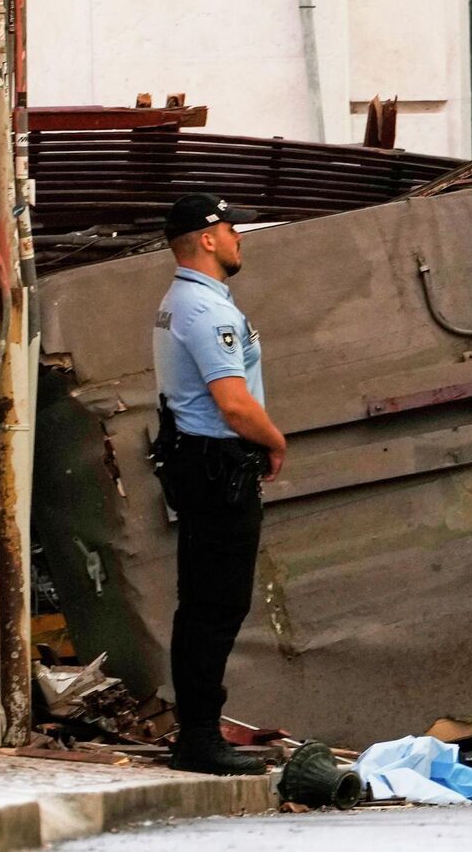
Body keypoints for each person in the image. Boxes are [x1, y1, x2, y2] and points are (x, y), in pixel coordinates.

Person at [151, 194, 288, 774]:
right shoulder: (206, 312)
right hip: (216, 466)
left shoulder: (187, 301)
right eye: (233, 230)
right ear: (207, 239)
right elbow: (233, 404)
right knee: (215, 607)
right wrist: (275, 440)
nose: (241, 239)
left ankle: (198, 731)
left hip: (199, 461)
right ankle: (200, 738)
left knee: (204, 605)